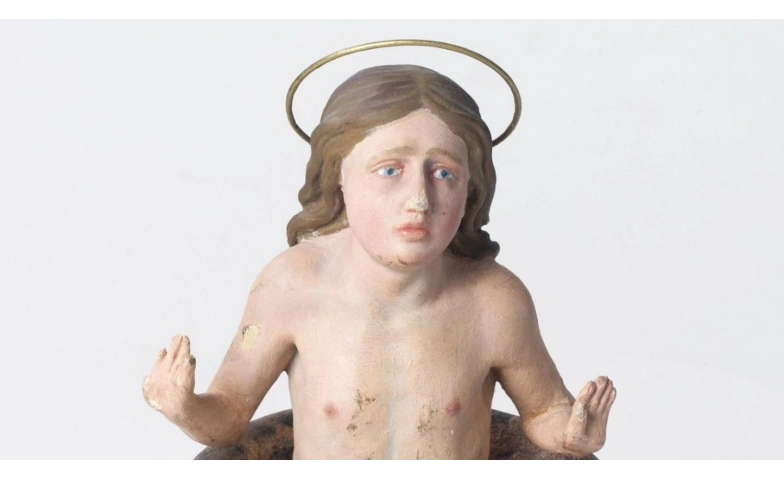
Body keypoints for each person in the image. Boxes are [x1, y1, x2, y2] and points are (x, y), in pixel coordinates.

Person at [142, 64, 616, 461]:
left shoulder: (494, 301)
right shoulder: (290, 287)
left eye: (444, 173)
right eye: (390, 170)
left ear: (472, 188)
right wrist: (186, 408)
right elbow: (228, 415)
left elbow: (545, 411)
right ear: (338, 177)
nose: (419, 200)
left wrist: (572, 433)